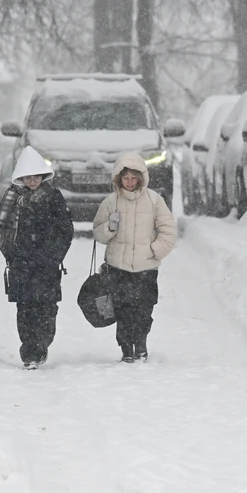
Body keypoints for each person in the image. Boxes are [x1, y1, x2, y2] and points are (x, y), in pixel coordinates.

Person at [0, 146, 74, 369]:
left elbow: (65, 230)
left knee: (47, 308)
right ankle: (29, 353)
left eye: (36, 176)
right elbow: (1, 230)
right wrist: (13, 255)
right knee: (25, 309)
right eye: (28, 177)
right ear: (21, 178)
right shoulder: (12, 198)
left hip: (48, 265)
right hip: (21, 265)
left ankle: (42, 344)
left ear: (43, 176)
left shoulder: (54, 198)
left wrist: (54, 255)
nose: (32, 181)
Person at [93, 152, 176, 363]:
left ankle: (140, 343)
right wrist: (110, 227)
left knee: (144, 309)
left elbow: (168, 231)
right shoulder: (111, 202)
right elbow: (98, 233)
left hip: (146, 268)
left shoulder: (155, 201)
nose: (129, 182)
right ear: (118, 178)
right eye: (125, 178)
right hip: (118, 267)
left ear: (141, 178)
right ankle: (126, 349)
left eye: (133, 178)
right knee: (122, 310)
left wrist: (153, 251)